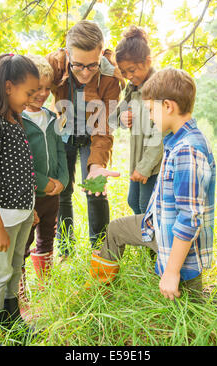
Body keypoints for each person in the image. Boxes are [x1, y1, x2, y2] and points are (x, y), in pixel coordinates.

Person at [85, 67, 216, 301]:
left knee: (191, 311)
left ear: (168, 106)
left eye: (150, 111)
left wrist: (172, 272)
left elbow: (189, 217)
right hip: (159, 226)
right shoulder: (176, 140)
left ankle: (205, 296)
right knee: (115, 230)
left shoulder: (187, 149)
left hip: (178, 247)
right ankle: (99, 295)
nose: (150, 117)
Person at [0, 53, 40, 339]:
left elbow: (22, 171)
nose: (32, 98)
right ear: (9, 87)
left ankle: (13, 319)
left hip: (22, 213)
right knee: (0, 272)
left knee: (16, 266)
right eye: (29, 92)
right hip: (4, 218)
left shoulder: (15, 121)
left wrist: (32, 208)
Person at [46, 20, 124, 256]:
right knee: (62, 191)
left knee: (95, 189)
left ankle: (100, 252)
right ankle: (66, 250)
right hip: (64, 132)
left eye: (93, 65)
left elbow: (104, 128)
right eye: (78, 65)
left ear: (101, 52)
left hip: (93, 138)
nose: (85, 72)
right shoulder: (55, 65)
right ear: (68, 54)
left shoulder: (111, 78)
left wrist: (98, 164)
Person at [20, 54, 69, 297]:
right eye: (36, 89)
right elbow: (19, 163)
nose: (42, 94)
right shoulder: (19, 120)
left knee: (47, 236)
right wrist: (43, 182)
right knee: (23, 243)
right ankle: (19, 291)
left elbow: (61, 151)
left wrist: (62, 181)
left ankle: (44, 286)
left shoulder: (52, 118)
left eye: (47, 89)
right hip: (31, 194)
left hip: (53, 193)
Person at [110, 25, 163, 214]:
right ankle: (147, 242)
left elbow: (161, 133)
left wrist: (145, 167)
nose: (129, 77)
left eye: (132, 70)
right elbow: (115, 119)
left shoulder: (159, 88)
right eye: (124, 73)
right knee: (134, 202)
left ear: (147, 61)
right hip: (137, 160)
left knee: (146, 207)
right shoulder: (132, 89)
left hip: (154, 164)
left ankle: (154, 244)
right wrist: (124, 117)